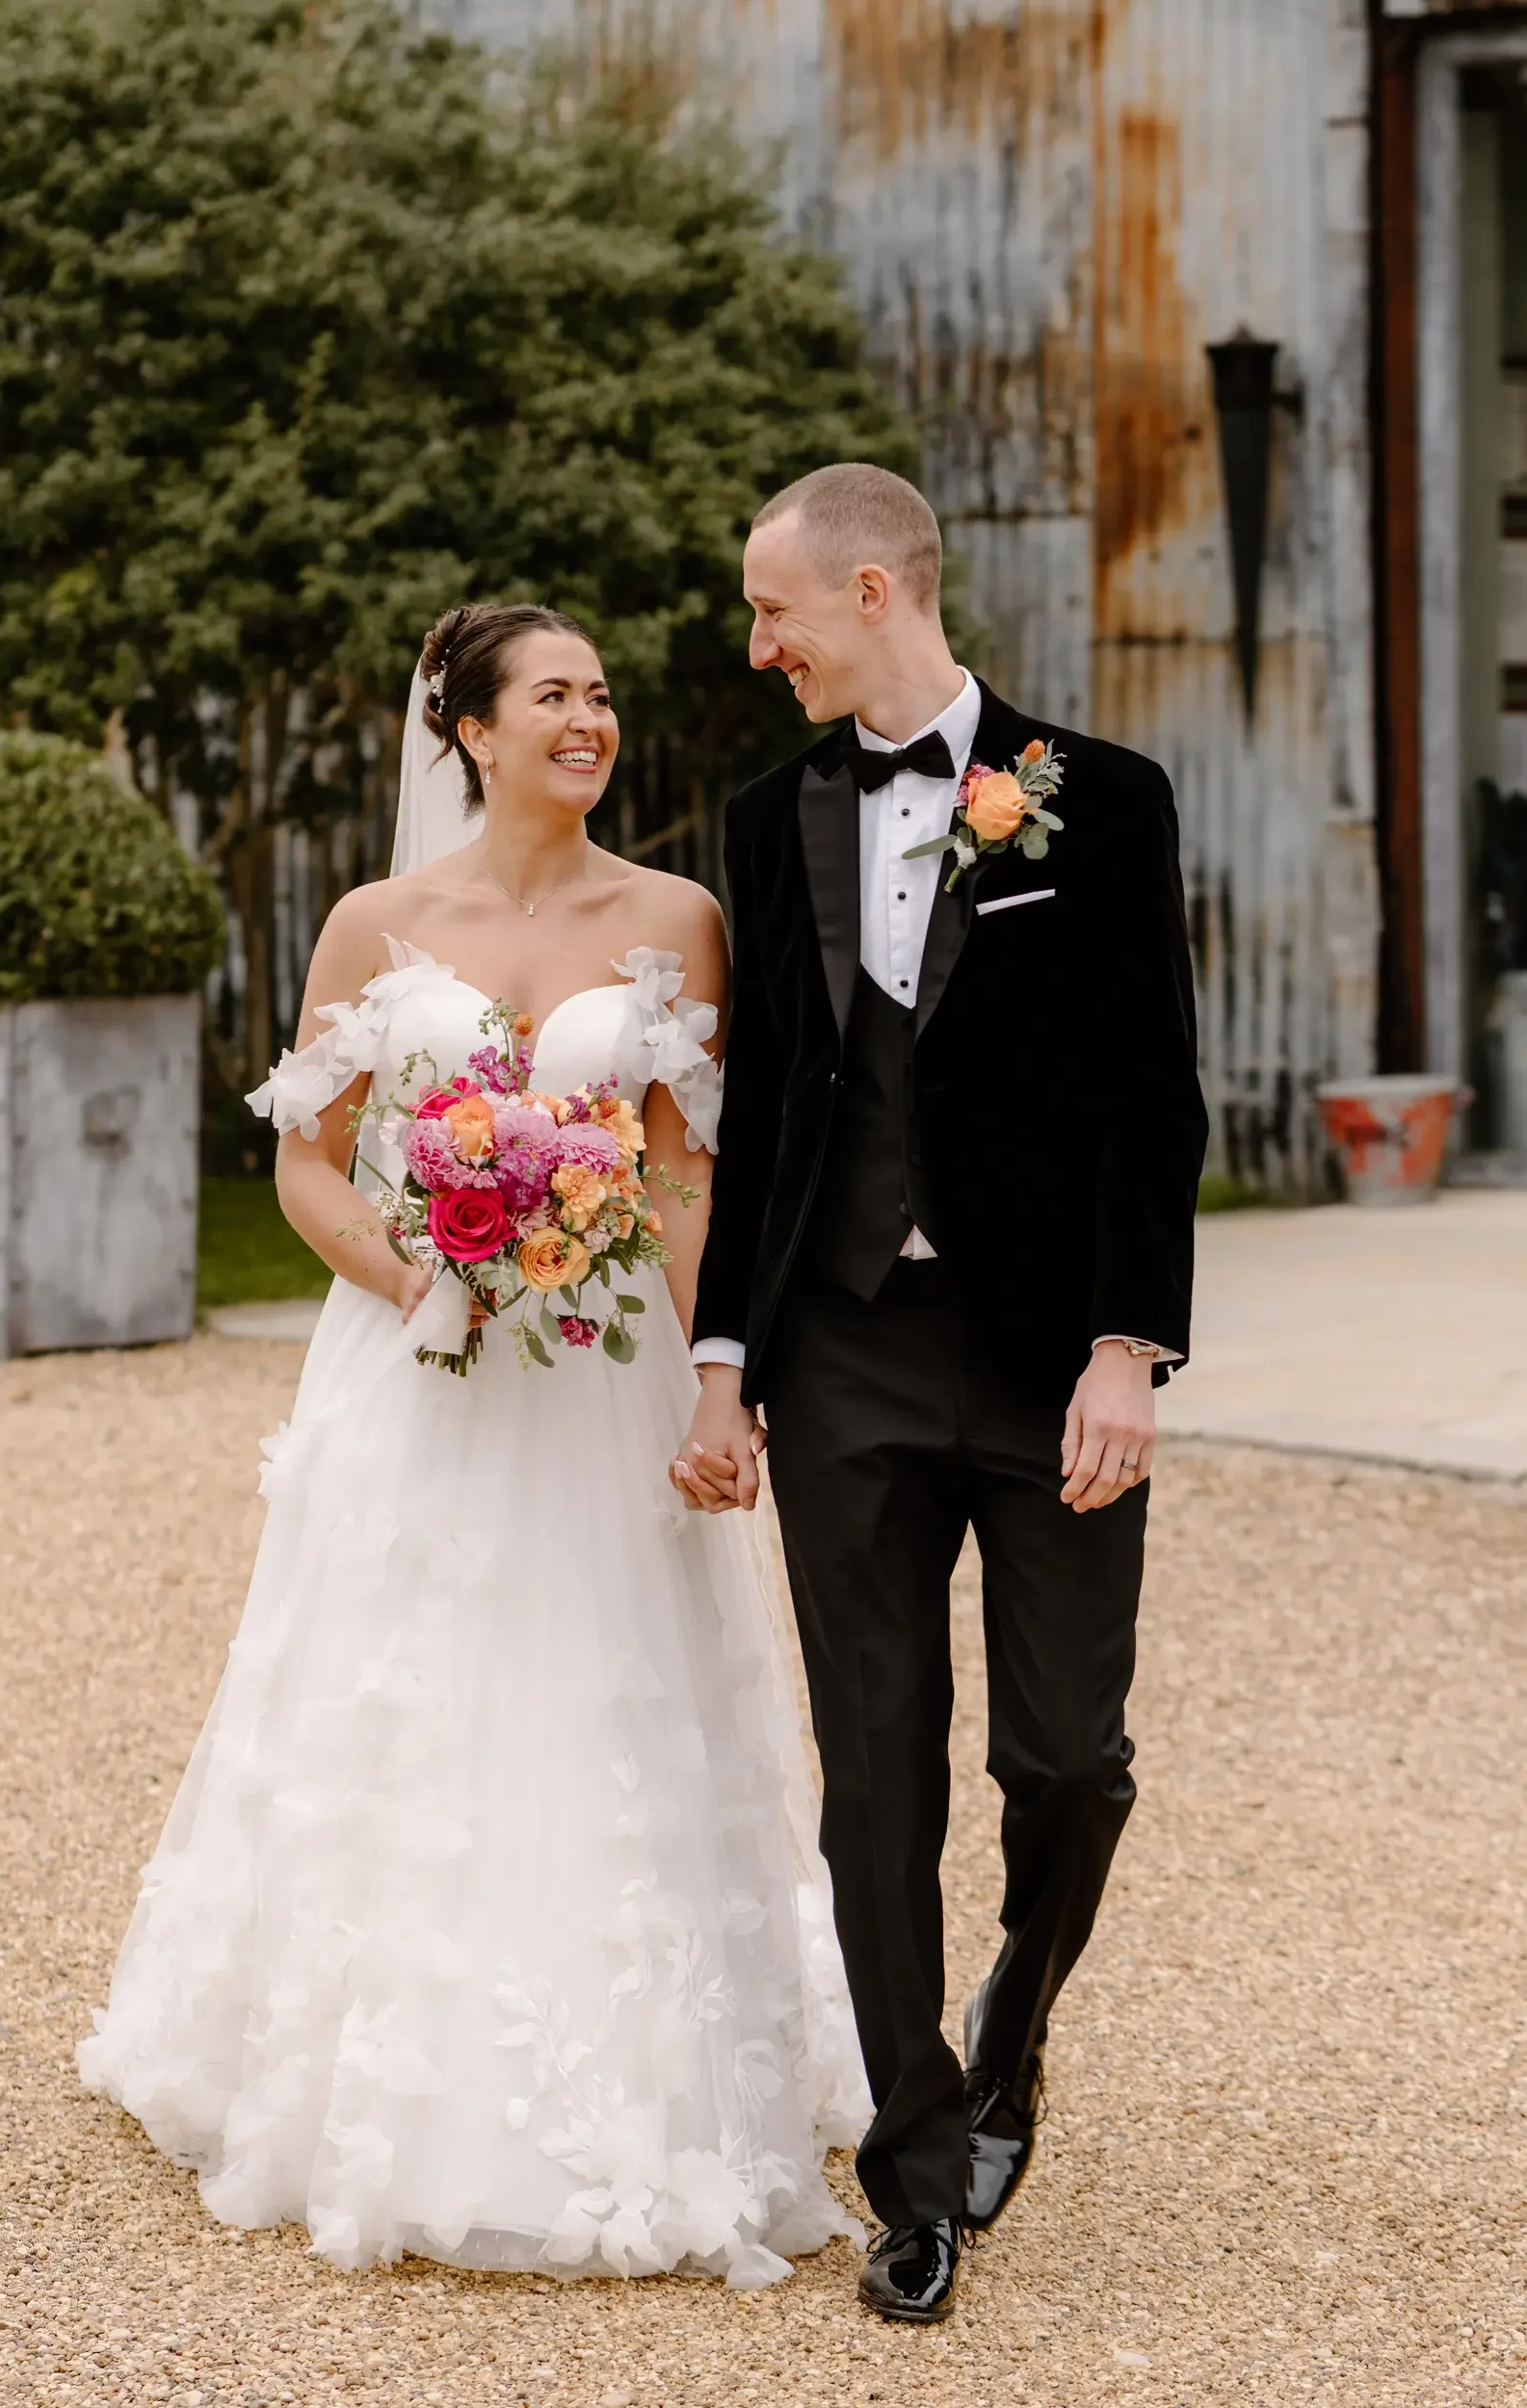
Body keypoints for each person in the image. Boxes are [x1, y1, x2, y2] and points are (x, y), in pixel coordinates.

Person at [80, 603, 869, 2288]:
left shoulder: (676, 917)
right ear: (473, 728)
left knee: (604, 1682)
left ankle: (650, 2075)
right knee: (405, 1684)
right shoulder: (376, 924)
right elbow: (308, 1159)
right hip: (416, 1366)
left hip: (602, 1375)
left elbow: (680, 1176)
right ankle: (366, 2075)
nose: (590, 720)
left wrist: (720, 1385)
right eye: (555, 695)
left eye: (601, 696)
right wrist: (420, 1276)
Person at [671, 465, 1208, 2323]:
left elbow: (1152, 1091)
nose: (760, 647)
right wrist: (725, 1362)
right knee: (875, 1774)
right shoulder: (769, 819)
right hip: (842, 1358)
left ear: (869, 589)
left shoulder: (1100, 795)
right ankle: (915, 2169)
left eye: (773, 611)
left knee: (1066, 1760)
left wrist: (1128, 1347)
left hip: (1052, 1359)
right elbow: (765, 1112)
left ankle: (1011, 2030)